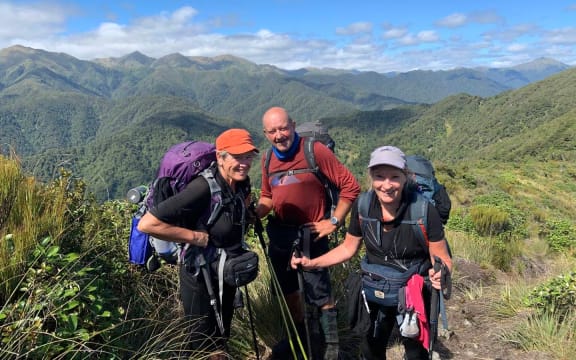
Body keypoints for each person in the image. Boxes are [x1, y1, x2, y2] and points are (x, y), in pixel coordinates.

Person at [291, 145, 452, 360]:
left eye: (394, 177)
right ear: (371, 178)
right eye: (379, 177)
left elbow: (442, 258)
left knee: (415, 352)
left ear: (406, 177)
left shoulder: (423, 210)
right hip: (374, 289)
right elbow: (349, 248)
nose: (386, 185)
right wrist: (313, 263)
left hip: (414, 292)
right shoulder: (363, 206)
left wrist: (441, 273)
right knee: (370, 349)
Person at [137, 128, 259, 359]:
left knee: (222, 336)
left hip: (225, 271)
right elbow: (148, 224)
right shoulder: (202, 188)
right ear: (220, 157)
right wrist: (194, 237)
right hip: (199, 274)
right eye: (237, 156)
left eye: (248, 156)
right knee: (203, 342)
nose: (244, 163)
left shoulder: (240, 183)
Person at [255, 106, 361, 359]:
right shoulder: (268, 158)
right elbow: (268, 196)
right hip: (281, 235)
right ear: (265, 134)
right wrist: (256, 212)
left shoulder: (315, 151)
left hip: (311, 234)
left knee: (320, 292)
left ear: (292, 125)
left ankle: (331, 347)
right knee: (289, 291)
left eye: (283, 128)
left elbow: (350, 187)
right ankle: (304, 339)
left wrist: (334, 221)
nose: (279, 135)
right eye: (272, 131)